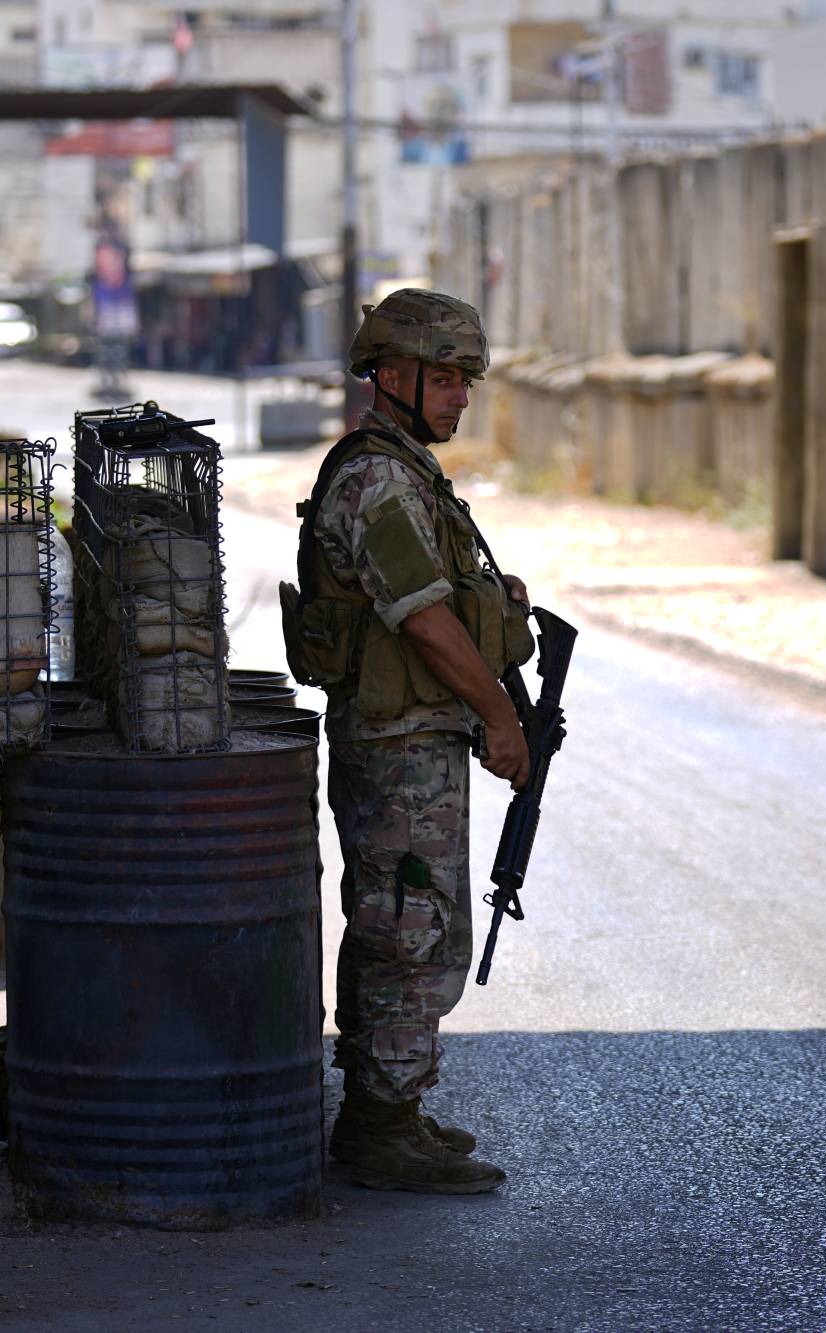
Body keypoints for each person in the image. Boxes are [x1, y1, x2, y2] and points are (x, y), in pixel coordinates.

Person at [280, 289, 536, 1194]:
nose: (461, 397)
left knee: (407, 920)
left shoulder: (407, 472)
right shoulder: (379, 481)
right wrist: (501, 718)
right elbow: (423, 619)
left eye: (466, 381)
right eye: (446, 378)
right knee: (407, 925)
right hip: (396, 746)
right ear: (390, 376)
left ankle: (388, 1106)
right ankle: (379, 1125)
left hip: (413, 738)